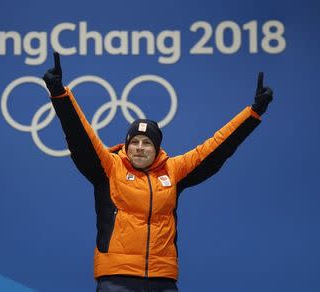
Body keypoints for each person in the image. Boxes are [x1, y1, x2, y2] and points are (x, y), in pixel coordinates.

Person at [42, 52, 273, 292]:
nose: (140, 148)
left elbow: (216, 148)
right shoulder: (110, 167)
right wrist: (60, 95)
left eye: (147, 143)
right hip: (116, 279)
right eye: (135, 142)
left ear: (157, 149)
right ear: (127, 145)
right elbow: (81, 136)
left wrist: (253, 113)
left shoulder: (174, 170)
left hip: (163, 280)